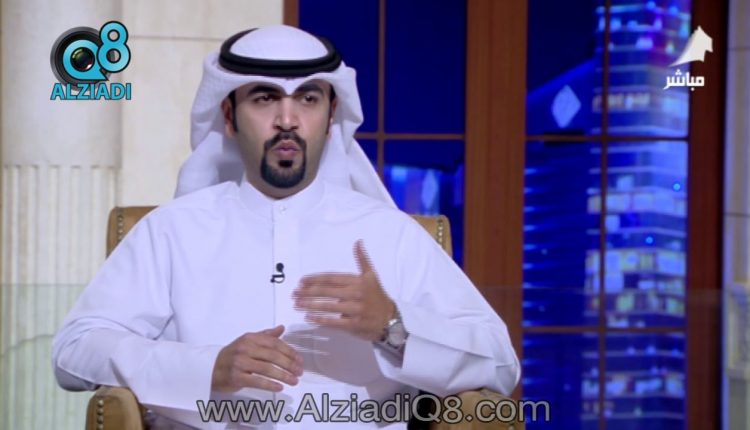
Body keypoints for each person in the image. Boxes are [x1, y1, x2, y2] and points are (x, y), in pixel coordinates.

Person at [52, 25, 520, 429]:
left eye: (308, 99)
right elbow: (75, 350)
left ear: (330, 117)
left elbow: (499, 364)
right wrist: (207, 368)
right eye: (265, 98)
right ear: (230, 117)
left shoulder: (391, 235)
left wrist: (394, 328)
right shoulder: (171, 231)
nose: (288, 120)